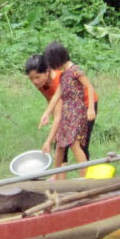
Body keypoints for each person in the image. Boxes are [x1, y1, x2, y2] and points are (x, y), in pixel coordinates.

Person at [38, 41, 98, 173]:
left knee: (74, 144)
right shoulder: (64, 74)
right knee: (60, 144)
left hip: (77, 112)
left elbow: (89, 86)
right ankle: (55, 176)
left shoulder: (76, 70)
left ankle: (85, 178)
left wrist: (91, 109)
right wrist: (47, 113)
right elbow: (57, 95)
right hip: (67, 113)